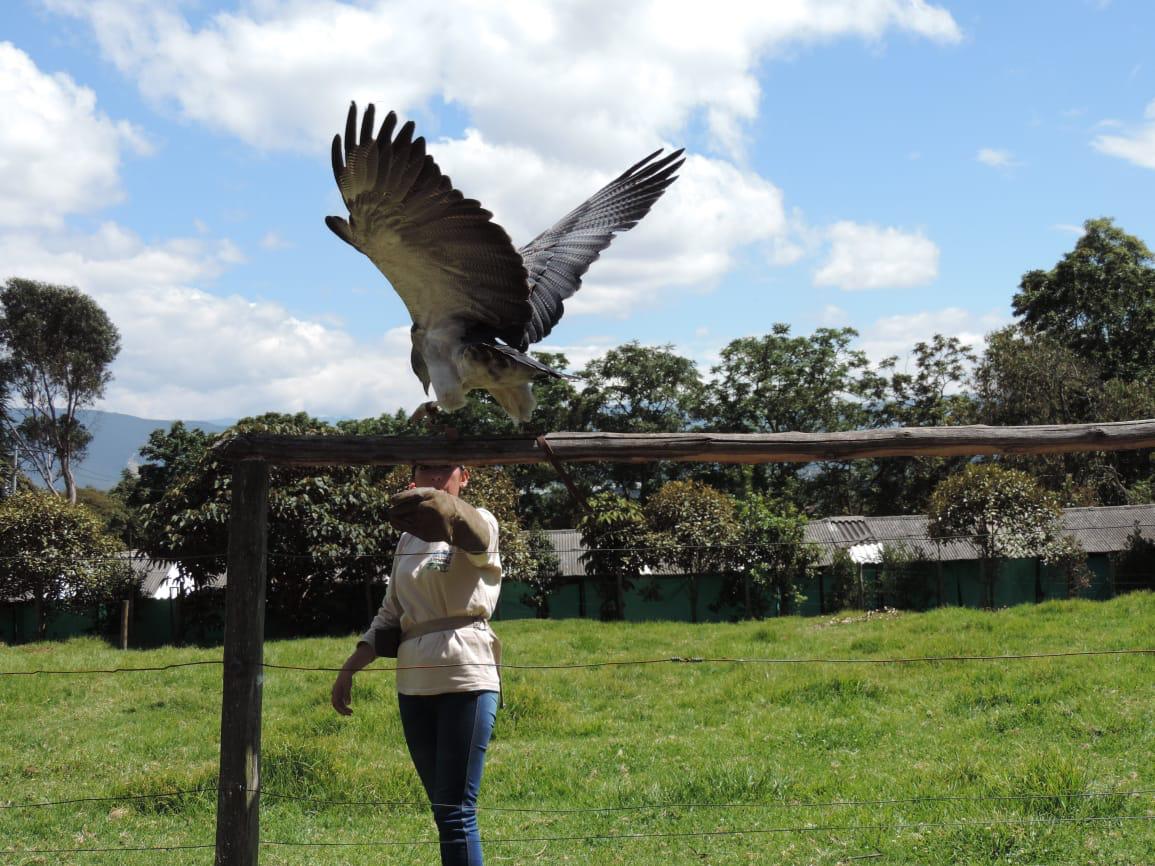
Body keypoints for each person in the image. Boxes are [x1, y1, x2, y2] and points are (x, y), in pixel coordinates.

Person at [332, 463, 502, 866]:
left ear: (465, 477)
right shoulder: (407, 540)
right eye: (426, 468)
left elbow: (476, 539)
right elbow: (392, 611)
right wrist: (351, 665)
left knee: (457, 810)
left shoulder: (482, 521)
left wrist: (445, 506)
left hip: (466, 671)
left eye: (445, 470)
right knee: (444, 810)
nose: (435, 476)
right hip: (413, 682)